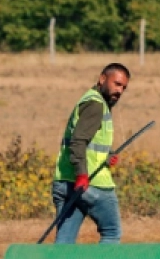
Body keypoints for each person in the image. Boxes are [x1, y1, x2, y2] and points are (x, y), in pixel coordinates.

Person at [51, 63, 131, 244]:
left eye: (124, 87)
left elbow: (87, 143)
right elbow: (78, 141)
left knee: (64, 242)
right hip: (91, 184)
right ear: (102, 79)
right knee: (112, 233)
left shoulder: (89, 100)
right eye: (117, 84)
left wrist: (106, 156)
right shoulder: (96, 105)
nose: (120, 91)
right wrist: (82, 175)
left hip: (64, 181)